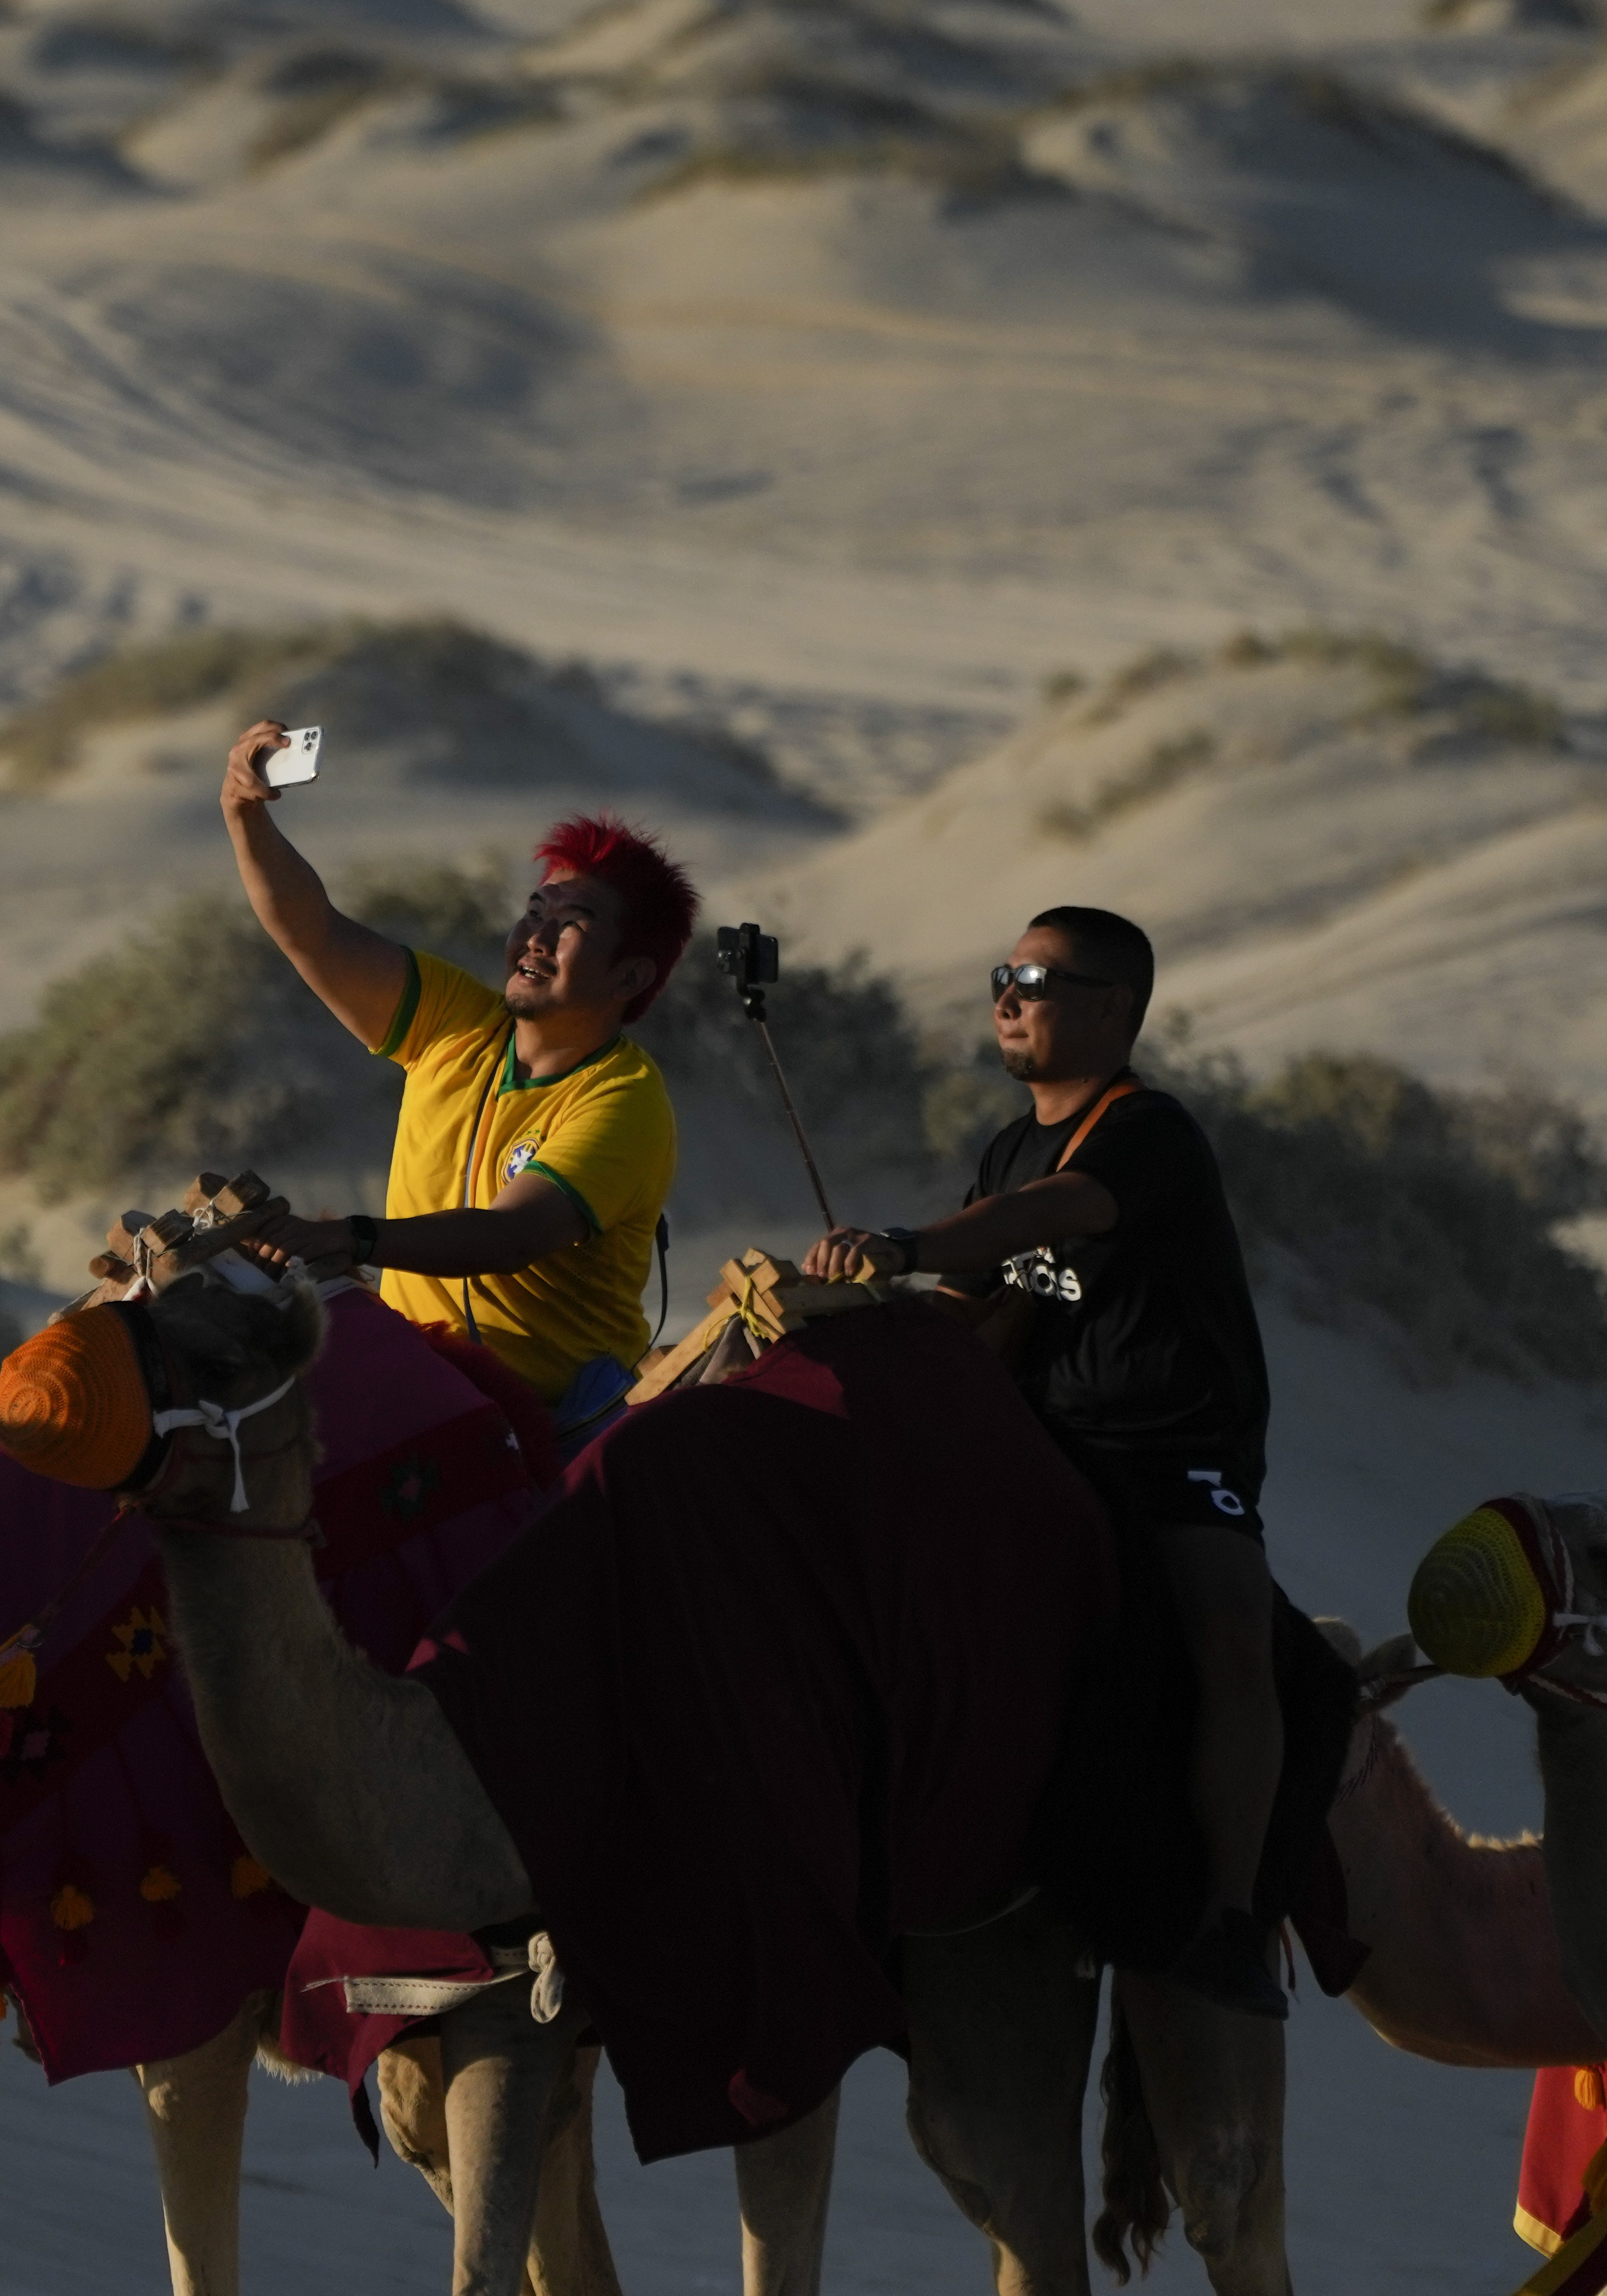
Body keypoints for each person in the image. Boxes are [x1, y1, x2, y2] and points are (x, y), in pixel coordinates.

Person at [801, 908, 1287, 2022]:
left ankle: (1225, 1915)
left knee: (1228, 1628)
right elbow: (975, 1317)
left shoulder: (1147, 1131)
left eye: (1035, 978)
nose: (1006, 996)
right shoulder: (1006, 1147)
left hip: (1171, 1450)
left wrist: (914, 1245)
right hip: (1044, 1443)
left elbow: (1052, 1214)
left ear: (1114, 1007)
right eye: (1001, 976)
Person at [220, 718, 687, 1436]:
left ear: (629, 976)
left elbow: (510, 1235)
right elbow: (311, 930)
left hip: (544, 1419)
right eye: (535, 910)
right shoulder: (452, 1021)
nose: (536, 936)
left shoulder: (624, 1101)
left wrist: (356, 1239)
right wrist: (243, 813)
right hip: (414, 1377)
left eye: (573, 925)